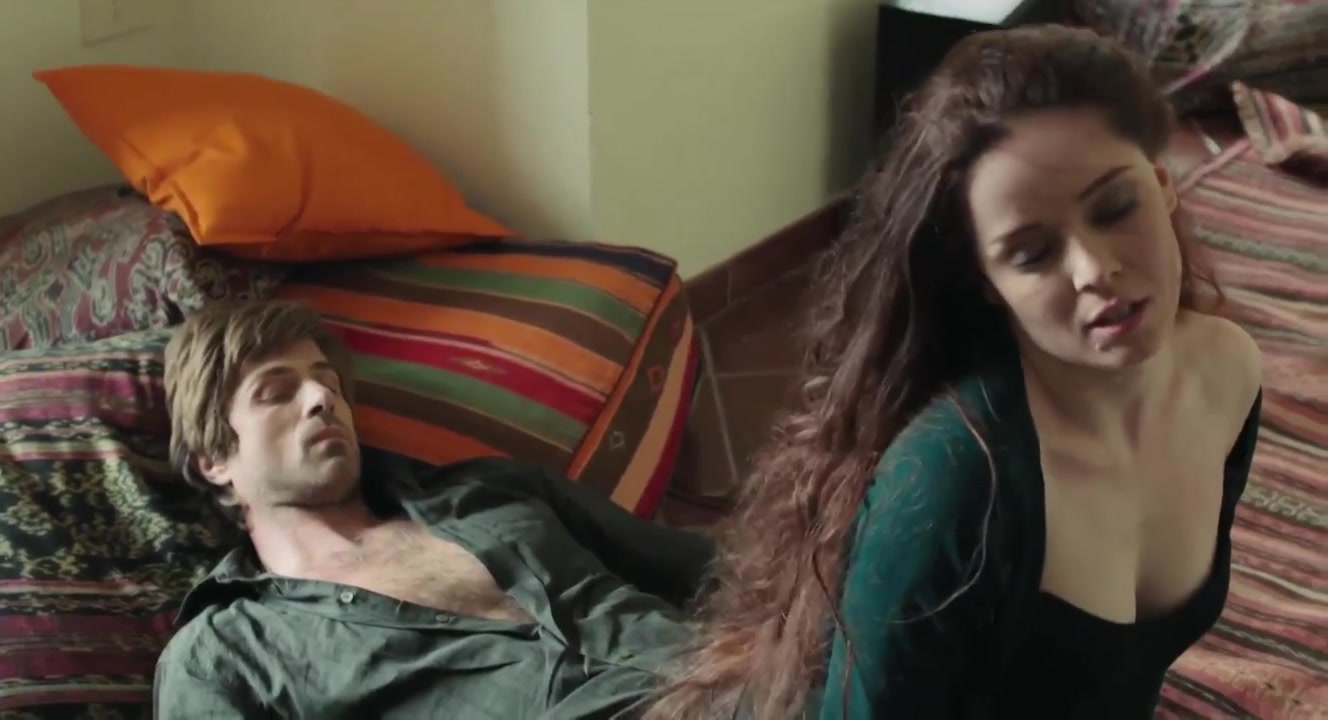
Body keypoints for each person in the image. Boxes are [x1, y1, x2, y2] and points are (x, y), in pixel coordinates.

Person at [644, 24, 1263, 720]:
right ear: (989, 283)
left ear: (1163, 182)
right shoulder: (958, 480)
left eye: (1115, 208)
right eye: (1032, 254)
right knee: (552, 582)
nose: (1095, 270)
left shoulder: (1228, 371)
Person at [152, 300, 715, 719]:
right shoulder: (222, 653)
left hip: (731, 680)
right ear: (213, 461)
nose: (323, 398)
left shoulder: (492, 490)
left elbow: (709, 569)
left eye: (329, 383)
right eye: (276, 393)